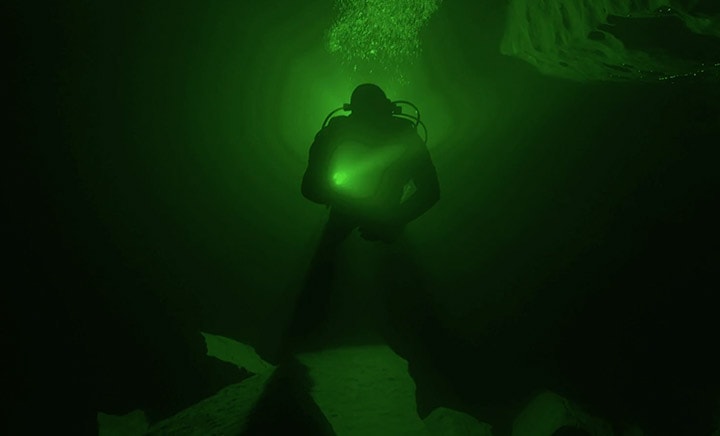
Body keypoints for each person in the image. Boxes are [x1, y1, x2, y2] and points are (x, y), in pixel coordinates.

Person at [302, 83, 440, 243]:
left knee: (329, 244)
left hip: (371, 213)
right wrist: (392, 221)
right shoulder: (403, 135)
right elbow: (309, 188)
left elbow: (431, 191)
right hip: (378, 212)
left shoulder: (336, 133)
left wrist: (390, 221)